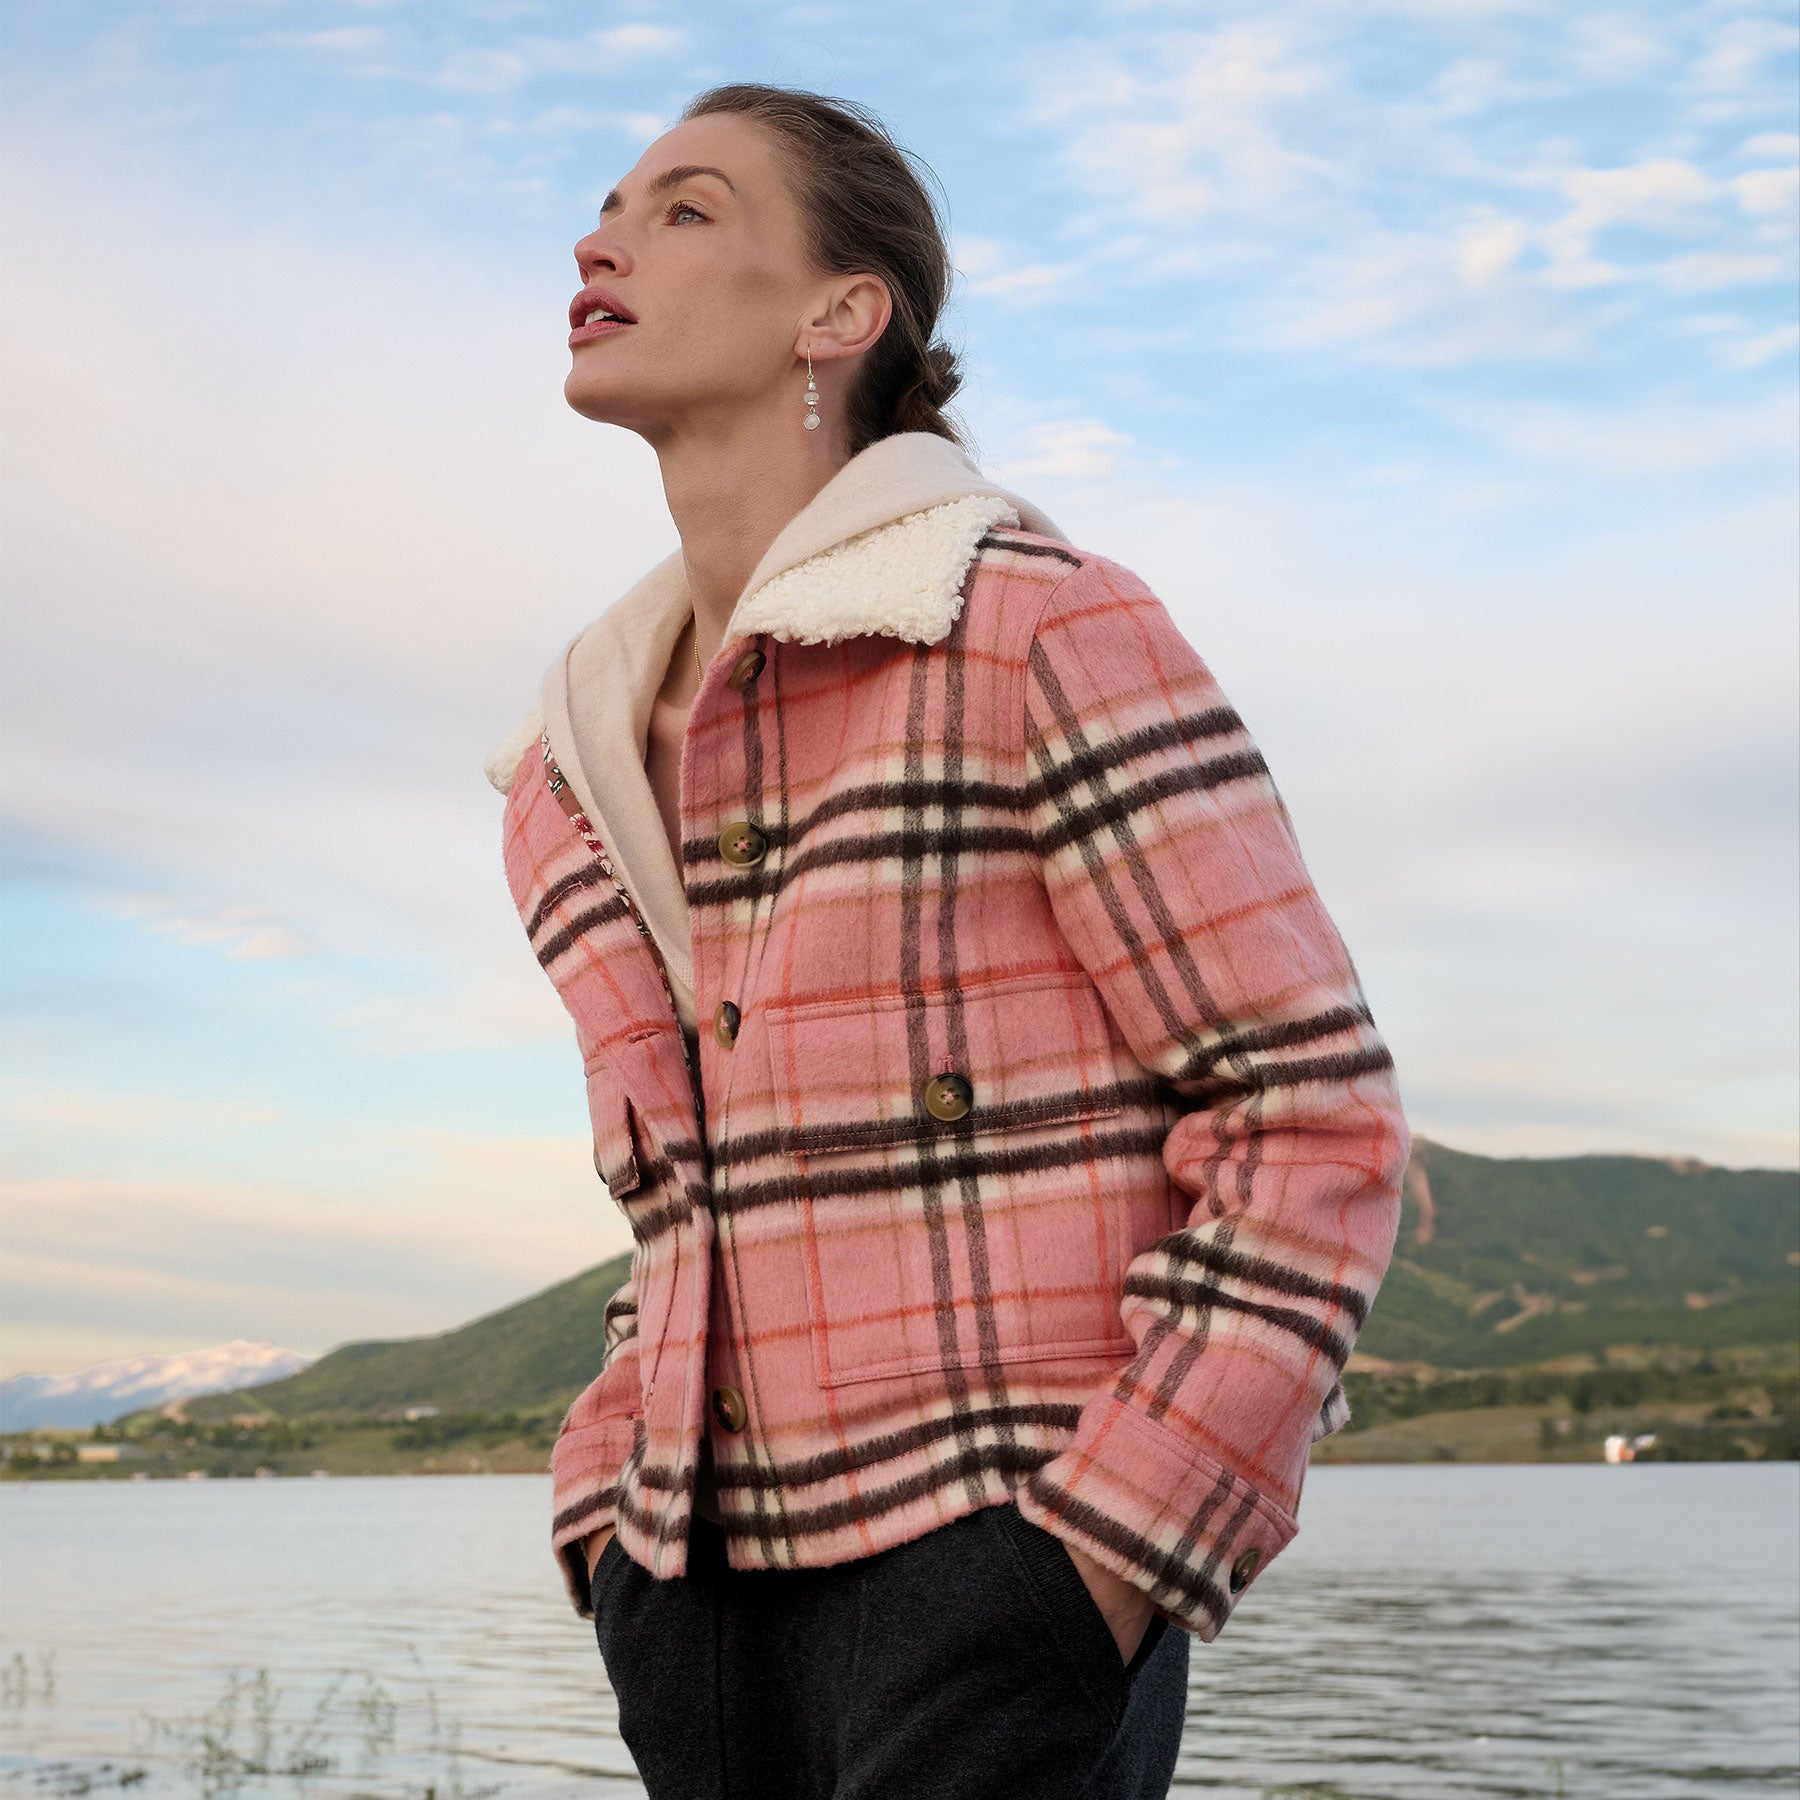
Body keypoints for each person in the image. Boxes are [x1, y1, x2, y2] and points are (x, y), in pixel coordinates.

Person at [486, 81, 1409, 1800]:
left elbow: (1308, 1114)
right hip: (690, 1593)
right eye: (609, 207)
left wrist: (1103, 1558)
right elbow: (690, 1207)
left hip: (1000, 1560)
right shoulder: (570, 771)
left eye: (686, 209)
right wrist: (604, 1520)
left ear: (842, 314)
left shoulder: (1036, 629)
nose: (600, 243)